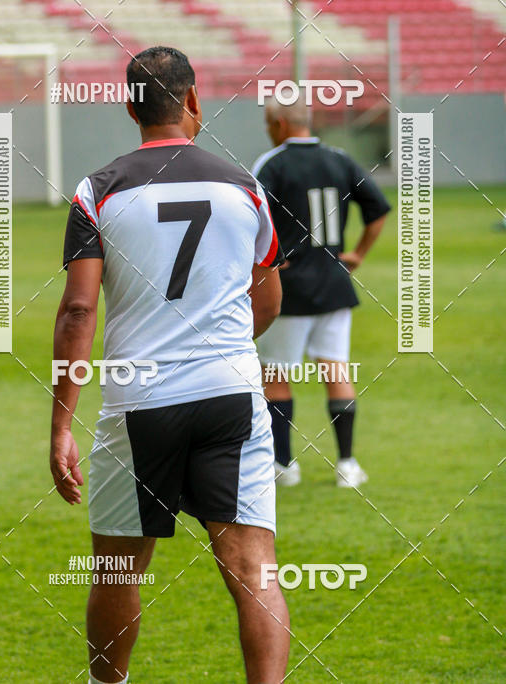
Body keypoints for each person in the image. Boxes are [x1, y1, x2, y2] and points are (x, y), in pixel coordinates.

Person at [50, 46, 289, 684]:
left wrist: (60, 426)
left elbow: (78, 312)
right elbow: (266, 299)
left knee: (119, 569)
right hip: (230, 396)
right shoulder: (246, 187)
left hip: (138, 403)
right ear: (193, 102)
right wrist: (229, 346)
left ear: (130, 108)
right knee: (254, 566)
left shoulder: (97, 188)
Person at [252, 98, 390, 488]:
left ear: (279, 123)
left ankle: (283, 466)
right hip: (334, 282)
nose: (268, 129)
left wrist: (270, 261)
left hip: (289, 288)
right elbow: (378, 209)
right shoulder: (340, 159)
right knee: (336, 369)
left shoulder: (272, 163)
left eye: (268, 122)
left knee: (277, 375)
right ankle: (347, 464)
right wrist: (358, 254)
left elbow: (251, 215)